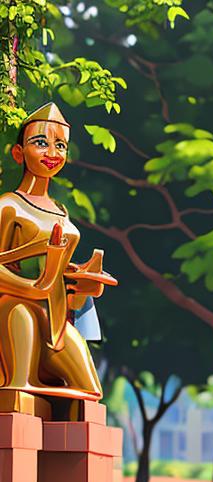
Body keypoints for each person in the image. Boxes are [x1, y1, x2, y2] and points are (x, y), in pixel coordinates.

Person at [0, 102, 111, 404]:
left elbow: (59, 277)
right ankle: (21, 388)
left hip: (55, 316)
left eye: (59, 145)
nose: (51, 153)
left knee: (91, 390)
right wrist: (32, 288)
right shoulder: (9, 205)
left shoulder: (62, 213)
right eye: (41, 142)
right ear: (18, 153)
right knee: (20, 378)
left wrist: (81, 284)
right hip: (14, 307)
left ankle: (48, 396)